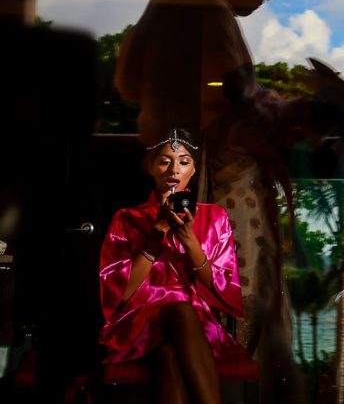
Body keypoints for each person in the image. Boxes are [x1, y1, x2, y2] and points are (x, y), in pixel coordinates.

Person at [115, 0, 306, 402]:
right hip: (209, 191)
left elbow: (126, 82)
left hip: (162, 179)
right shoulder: (205, 4)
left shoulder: (167, 1)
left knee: (172, 335)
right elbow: (231, 94)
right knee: (212, 328)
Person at [99, 128, 244, 404]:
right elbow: (121, 294)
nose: (174, 169)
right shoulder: (127, 218)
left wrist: (189, 240)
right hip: (140, 320)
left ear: (193, 169)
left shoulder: (215, 216)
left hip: (196, 325)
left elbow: (223, 288)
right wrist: (155, 233)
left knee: (169, 355)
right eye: (165, 161)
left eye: (184, 161)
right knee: (179, 309)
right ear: (151, 167)